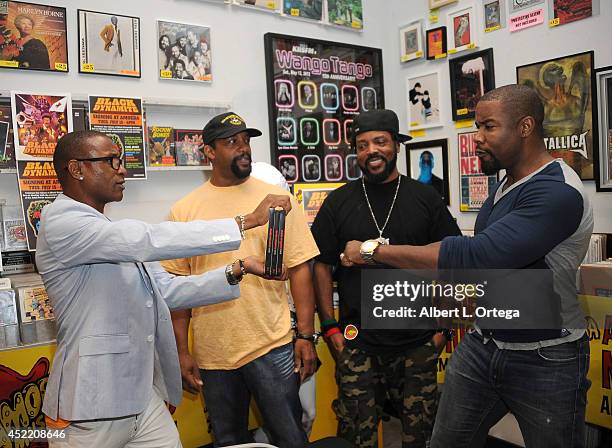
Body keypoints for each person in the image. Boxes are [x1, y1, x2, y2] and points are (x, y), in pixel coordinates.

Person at [341, 85, 594, 448]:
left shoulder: (556, 192)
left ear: (525, 127)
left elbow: (477, 256)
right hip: (484, 343)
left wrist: (373, 250)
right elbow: (474, 264)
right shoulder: (506, 184)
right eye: (478, 127)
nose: (477, 138)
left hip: (545, 354)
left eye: (488, 127)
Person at [37, 130, 291, 448]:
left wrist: (238, 270)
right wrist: (246, 221)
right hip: (90, 407)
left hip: (142, 399)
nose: (122, 169)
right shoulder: (61, 223)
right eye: (111, 161)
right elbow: (148, 239)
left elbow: (168, 292)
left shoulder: (107, 232)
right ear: (77, 169)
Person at [161, 112, 320, 448]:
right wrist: (181, 351)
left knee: (291, 437)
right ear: (208, 152)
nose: (243, 148)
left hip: (271, 343)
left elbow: (301, 267)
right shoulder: (184, 210)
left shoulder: (278, 200)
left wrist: (305, 334)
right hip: (214, 352)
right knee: (229, 441)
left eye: (246, 140)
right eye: (231, 142)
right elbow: (176, 288)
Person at [311, 109, 461, 447]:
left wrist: (445, 328)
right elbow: (320, 264)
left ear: (396, 145)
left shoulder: (425, 199)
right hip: (356, 344)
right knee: (355, 437)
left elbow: (455, 259)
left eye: (380, 141)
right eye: (362, 145)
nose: (371, 151)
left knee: (420, 438)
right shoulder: (338, 202)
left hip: (417, 344)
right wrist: (330, 327)